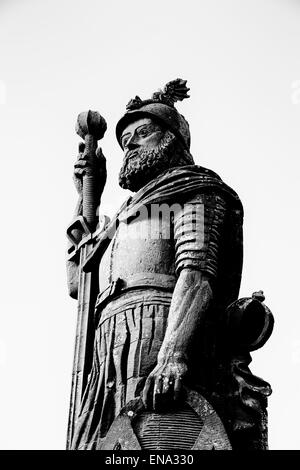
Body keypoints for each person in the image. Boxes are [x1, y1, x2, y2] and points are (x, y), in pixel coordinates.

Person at [67, 79, 251, 450]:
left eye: (142, 132)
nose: (130, 143)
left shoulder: (196, 191)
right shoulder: (121, 220)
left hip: (160, 329)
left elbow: (197, 274)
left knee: (153, 443)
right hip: (107, 349)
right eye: (124, 139)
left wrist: (173, 356)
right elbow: (78, 284)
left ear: (172, 139)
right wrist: (87, 201)